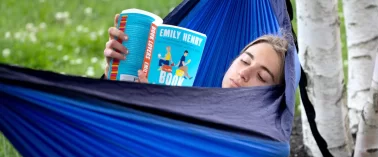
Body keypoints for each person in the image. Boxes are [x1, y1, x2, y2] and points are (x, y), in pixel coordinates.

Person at [104, 14, 288, 87]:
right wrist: (113, 74)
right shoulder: (195, 98)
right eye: (245, 61)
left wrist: (153, 103)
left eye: (262, 77)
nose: (244, 73)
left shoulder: (255, 143)